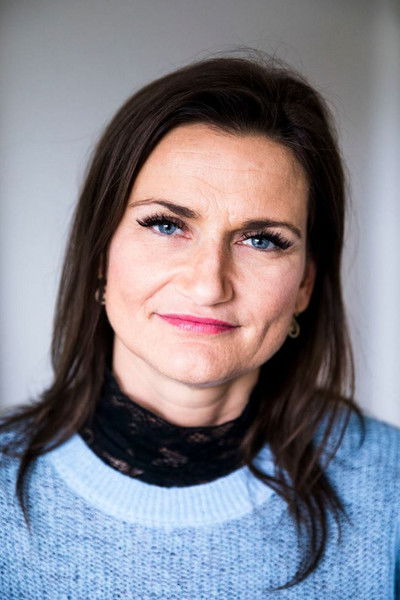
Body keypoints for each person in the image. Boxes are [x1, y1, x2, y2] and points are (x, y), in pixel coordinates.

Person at [0, 53, 399, 599]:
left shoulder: (389, 485)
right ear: (100, 254)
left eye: (262, 240)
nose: (209, 285)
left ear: (305, 283)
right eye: (167, 225)